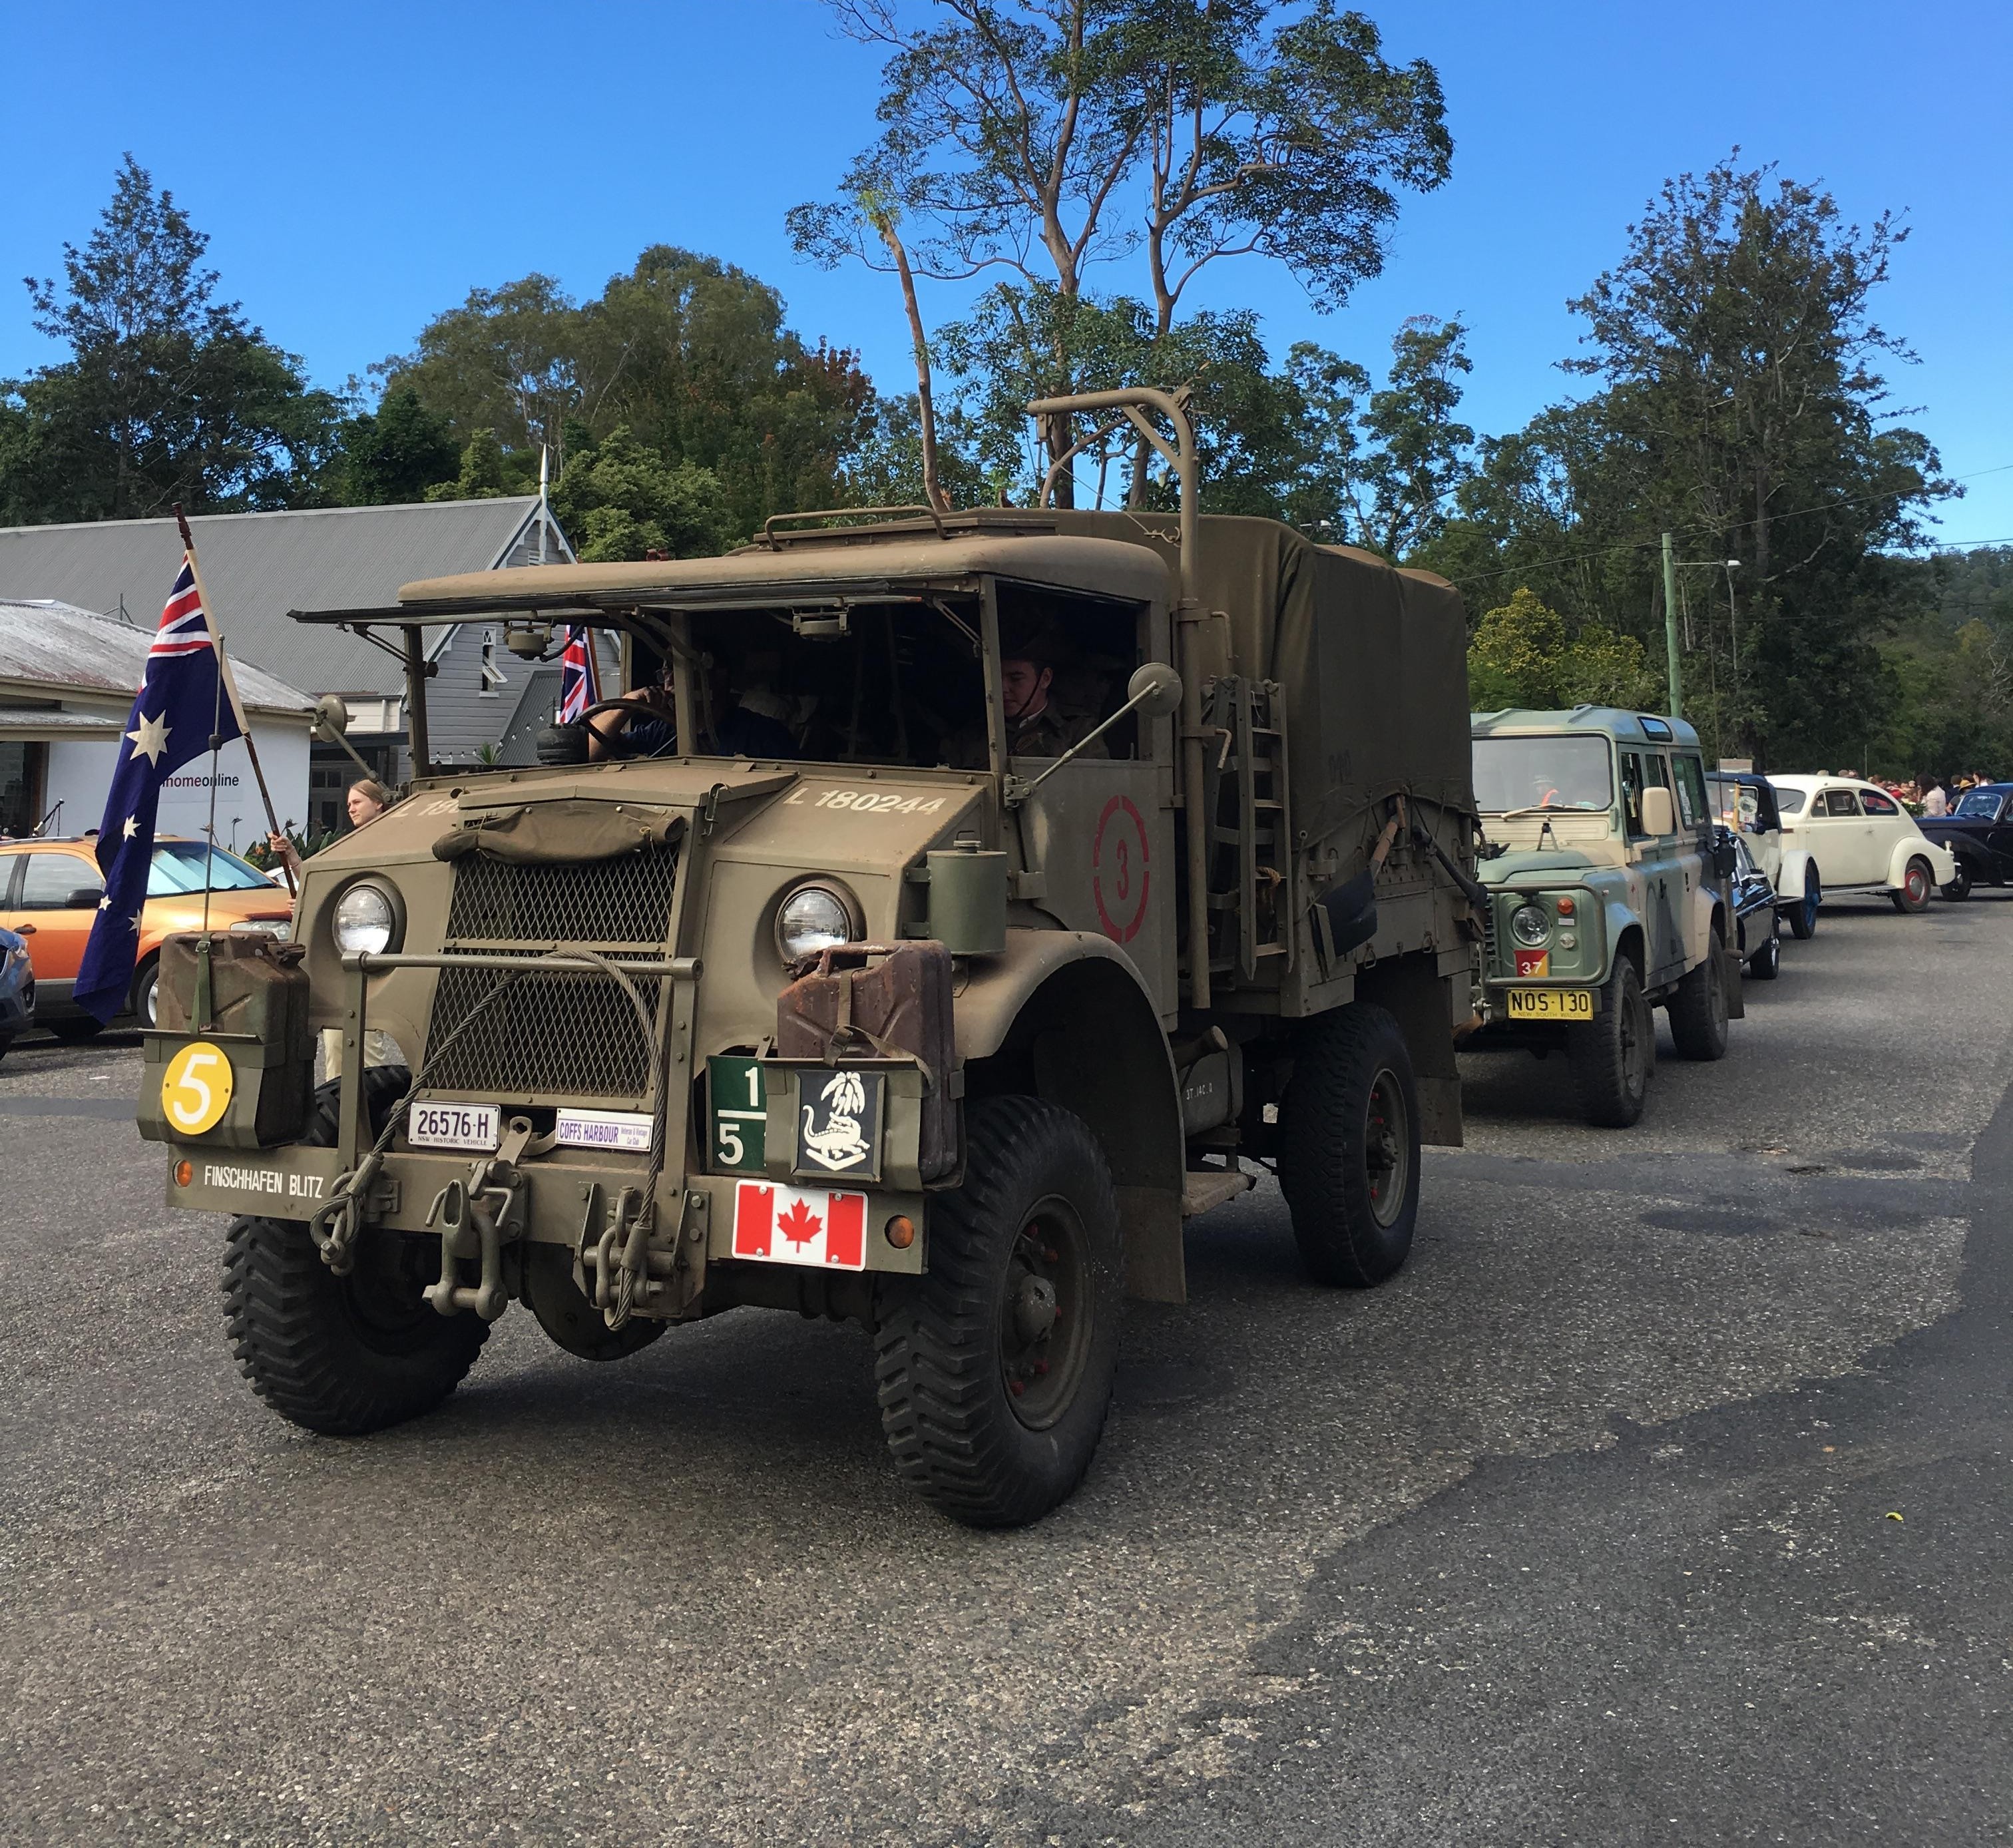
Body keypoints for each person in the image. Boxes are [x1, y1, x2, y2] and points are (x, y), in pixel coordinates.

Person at [951, 632, 1107, 768]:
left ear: (1045, 679)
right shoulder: (972, 734)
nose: (1003, 689)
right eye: (996, 678)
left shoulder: (1077, 734)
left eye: (1016, 678)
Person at [268, 777, 392, 879]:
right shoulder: (351, 844)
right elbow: (320, 883)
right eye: (349, 805)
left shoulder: (394, 839)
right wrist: (290, 852)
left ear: (378, 803)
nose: (351, 810)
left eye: (357, 802)